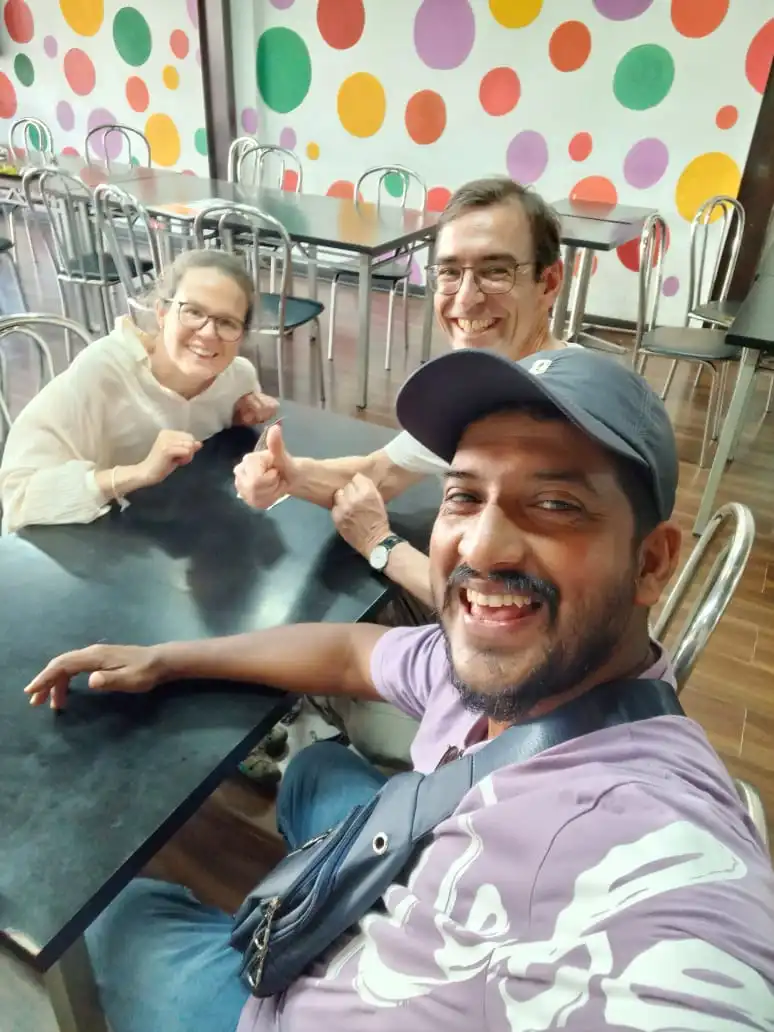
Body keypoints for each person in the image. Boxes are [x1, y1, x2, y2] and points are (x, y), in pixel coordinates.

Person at [25, 348, 774, 1032]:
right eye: (464, 496)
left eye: (555, 504)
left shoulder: (650, 859)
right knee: (315, 769)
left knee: (119, 918)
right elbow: (355, 653)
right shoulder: (516, 662)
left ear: (651, 563)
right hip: (416, 869)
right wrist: (166, 658)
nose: (481, 546)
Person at [235, 176, 569, 608]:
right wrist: (290, 475)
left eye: (496, 272)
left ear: (549, 282)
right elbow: (381, 473)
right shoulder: (478, 385)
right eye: (450, 272)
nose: (466, 299)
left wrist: (382, 545)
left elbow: (519, 607)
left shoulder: (566, 413)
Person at [0, 249, 279, 534]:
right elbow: (19, 497)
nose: (208, 333)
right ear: (162, 313)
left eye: (227, 322)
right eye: (193, 312)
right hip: (84, 545)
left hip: (171, 535)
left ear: (241, 335)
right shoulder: (104, 372)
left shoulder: (238, 379)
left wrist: (239, 420)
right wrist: (139, 473)